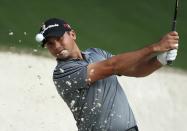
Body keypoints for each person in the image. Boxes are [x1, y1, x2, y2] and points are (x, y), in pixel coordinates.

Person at [35, 18, 179, 131]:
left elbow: (136, 70)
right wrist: (155, 47)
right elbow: (112, 66)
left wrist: (161, 59)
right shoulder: (62, 73)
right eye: (50, 44)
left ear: (73, 34)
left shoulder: (97, 53)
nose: (57, 47)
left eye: (59, 39)